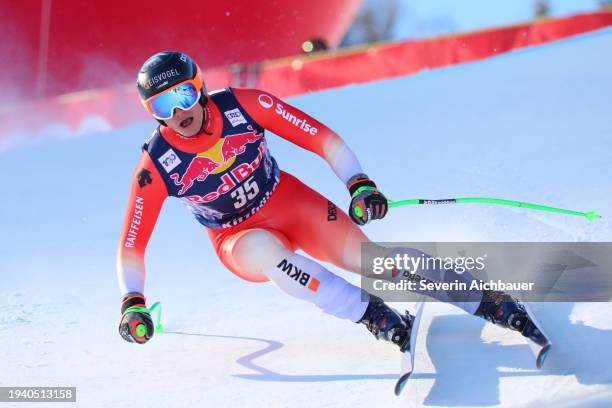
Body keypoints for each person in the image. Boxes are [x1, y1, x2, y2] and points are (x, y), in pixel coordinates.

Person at [116, 51, 533, 349]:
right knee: (265, 253)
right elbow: (132, 242)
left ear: (201, 87)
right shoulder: (156, 164)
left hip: (287, 202)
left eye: (185, 95)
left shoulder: (244, 104)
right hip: (235, 237)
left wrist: (359, 183)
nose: (179, 112)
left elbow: (320, 137)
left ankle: (485, 299)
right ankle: (369, 313)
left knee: (373, 261)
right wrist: (132, 302)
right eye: (163, 105)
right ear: (152, 113)